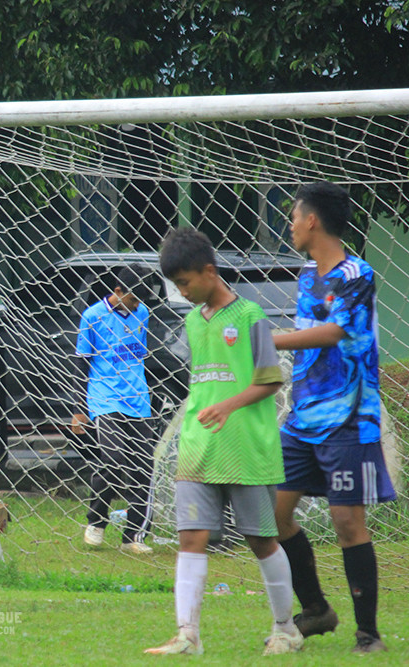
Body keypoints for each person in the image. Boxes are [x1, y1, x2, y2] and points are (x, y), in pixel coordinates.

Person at [145, 228, 302, 656]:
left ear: (209, 271)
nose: (181, 291)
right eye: (176, 285)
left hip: (246, 450)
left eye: (185, 282)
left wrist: (229, 406)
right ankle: (187, 635)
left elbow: (270, 381)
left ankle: (286, 628)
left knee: (260, 540)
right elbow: (203, 385)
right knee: (190, 538)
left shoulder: (251, 316)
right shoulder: (193, 321)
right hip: (199, 449)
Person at [272, 182, 394, 655]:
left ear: (313, 220)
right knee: (274, 517)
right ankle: (317, 609)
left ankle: (369, 634)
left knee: (347, 523)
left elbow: (337, 330)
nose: (290, 223)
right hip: (301, 419)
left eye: (294, 215)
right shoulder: (306, 275)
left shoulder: (358, 273)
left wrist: (270, 339)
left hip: (349, 419)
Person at [72, 264, 157, 555]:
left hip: (138, 400)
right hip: (104, 399)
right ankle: (96, 521)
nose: (137, 305)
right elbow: (81, 364)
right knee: (114, 458)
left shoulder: (142, 314)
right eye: (133, 299)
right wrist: (78, 408)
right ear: (118, 291)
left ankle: (133, 537)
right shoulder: (92, 317)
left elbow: (139, 357)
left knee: (144, 466)